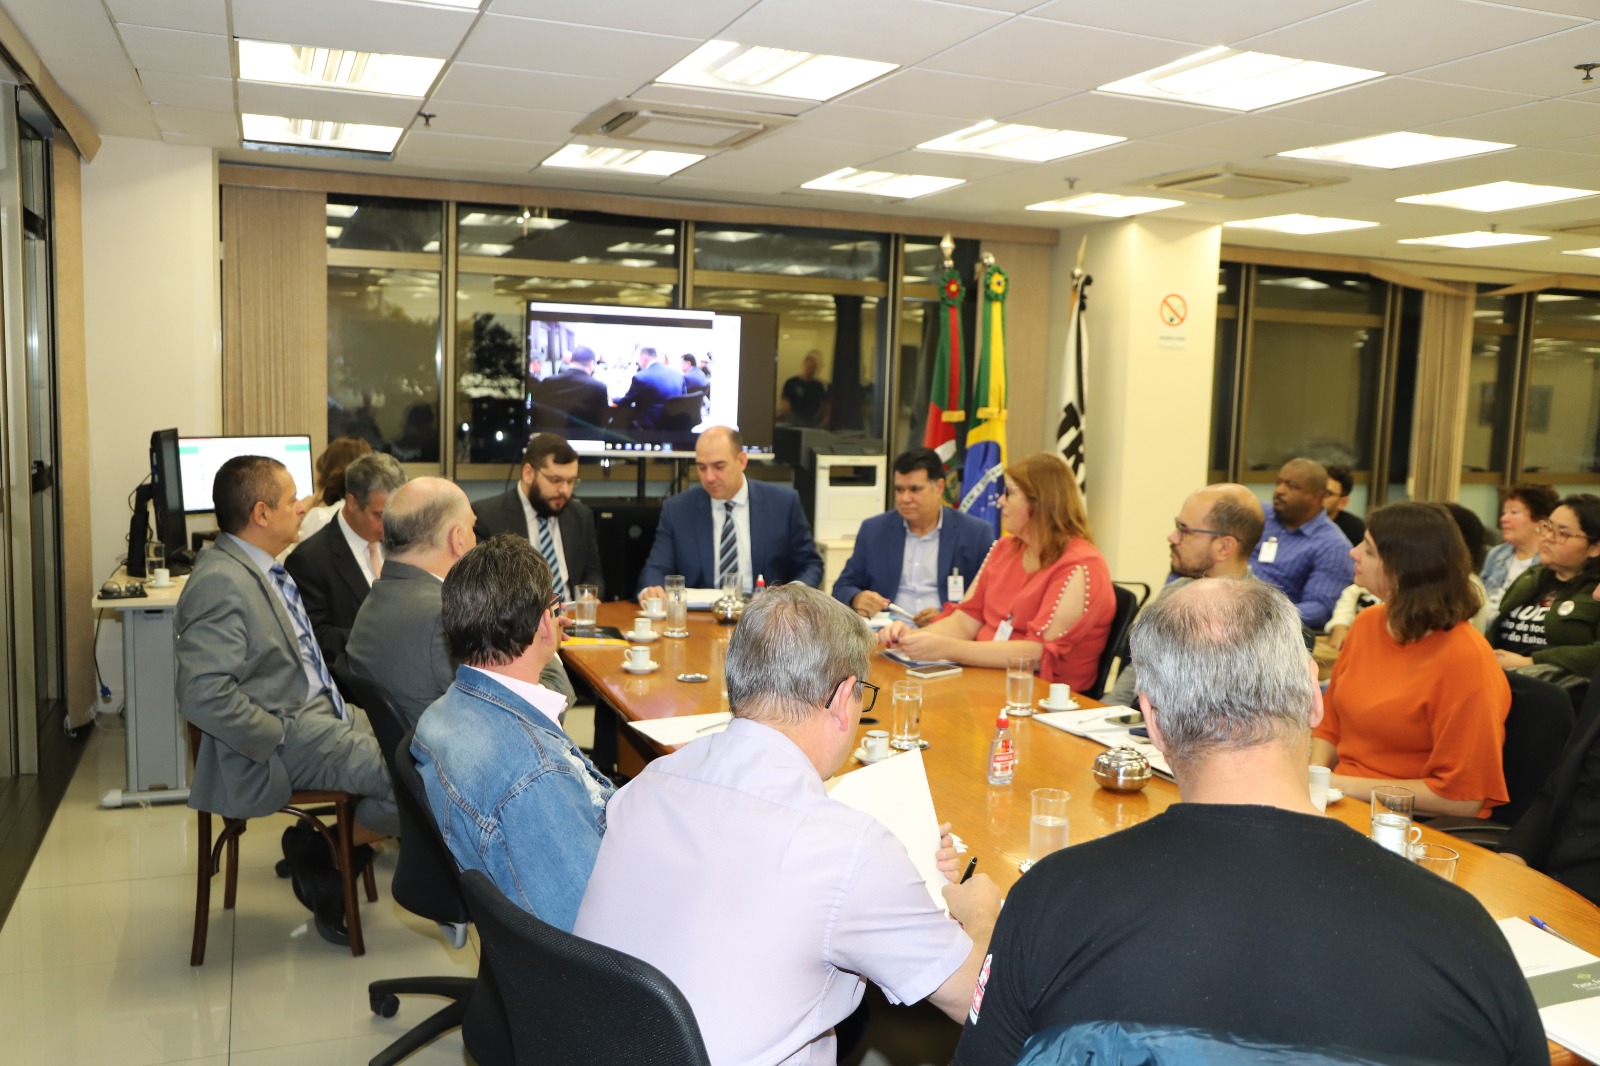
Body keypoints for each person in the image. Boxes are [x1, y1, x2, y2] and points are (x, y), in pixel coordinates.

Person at [954, 578, 1544, 1066]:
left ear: (1152, 724)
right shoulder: (1462, 930)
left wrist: (984, 933)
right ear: (1314, 699)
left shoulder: (1052, 898)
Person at [576, 584, 1002, 1065]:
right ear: (844, 698)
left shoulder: (647, 784)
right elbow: (976, 1000)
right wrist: (983, 914)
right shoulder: (850, 851)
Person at [176, 456, 397, 837]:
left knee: (422, 751)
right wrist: (276, 733)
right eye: (292, 499)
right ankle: (327, 856)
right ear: (261, 513)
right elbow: (201, 693)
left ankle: (332, 854)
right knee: (412, 781)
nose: (302, 506)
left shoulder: (261, 567)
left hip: (326, 712)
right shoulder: (221, 581)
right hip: (287, 734)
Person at [412, 535, 614, 931]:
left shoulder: (443, 712)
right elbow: (591, 929)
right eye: (555, 608)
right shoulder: (536, 777)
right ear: (544, 622)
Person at [1313, 502, 1510, 817]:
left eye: (1370, 550)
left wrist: (1337, 784)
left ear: (1405, 569)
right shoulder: (1367, 623)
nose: (1354, 553)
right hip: (1343, 802)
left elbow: (1462, 799)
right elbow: (1330, 729)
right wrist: (1314, 783)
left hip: (1411, 821)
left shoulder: (1466, 659)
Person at [344, 478, 575, 725]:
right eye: (472, 529)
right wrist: (544, 639)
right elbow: (529, 718)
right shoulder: (446, 617)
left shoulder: (374, 600)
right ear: (458, 539)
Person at [879, 452, 1113, 692]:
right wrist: (913, 638)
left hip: (1043, 700)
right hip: (985, 681)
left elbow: (1036, 654)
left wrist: (946, 648)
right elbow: (965, 620)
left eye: (1009, 493)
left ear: (1039, 502)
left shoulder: (1082, 565)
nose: (1000, 501)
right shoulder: (1003, 548)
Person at [1104, 483, 1263, 706]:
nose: (1172, 537)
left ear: (1224, 547)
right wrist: (1101, 716)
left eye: (1184, 530)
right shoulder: (1176, 593)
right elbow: (1137, 671)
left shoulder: (1259, 620)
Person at [637, 425, 823, 598]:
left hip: (766, 617)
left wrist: (793, 596)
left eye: (719, 466)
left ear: (741, 461)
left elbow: (810, 565)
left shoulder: (783, 503)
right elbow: (656, 569)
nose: (709, 477)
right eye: (702, 467)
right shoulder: (678, 510)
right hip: (700, 617)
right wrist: (652, 590)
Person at [832, 447, 994, 626]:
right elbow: (842, 586)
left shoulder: (975, 533)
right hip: (886, 634)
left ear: (939, 487)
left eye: (914, 489)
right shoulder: (874, 530)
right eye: (899, 490)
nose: (905, 498)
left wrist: (947, 615)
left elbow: (989, 599)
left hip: (945, 635)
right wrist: (857, 597)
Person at [282, 452, 405, 667]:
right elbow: (315, 637)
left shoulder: (402, 541)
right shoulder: (309, 561)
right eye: (379, 515)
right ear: (352, 503)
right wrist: (382, 639)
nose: (389, 525)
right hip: (354, 682)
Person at [472, 433, 605, 600]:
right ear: (528, 473)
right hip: (521, 623)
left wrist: (587, 598)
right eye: (555, 480)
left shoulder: (581, 516)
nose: (564, 490)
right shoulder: (487, 517)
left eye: (571, 481)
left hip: (572, 619)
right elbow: (484, 592)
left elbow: (593, 574)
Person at [1490, 493, 1600, 690]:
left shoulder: (1595, 592)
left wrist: (1531, 661)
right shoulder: (1532, 578)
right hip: (1497, 682)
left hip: (1555, 693)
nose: (1548, 538)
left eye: (1562, 533)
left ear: (1594, 548)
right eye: (1548, 527)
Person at [1251, 458, 1354, 629]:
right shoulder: (1258, 515)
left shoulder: (1333, 546)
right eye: (1279, 483)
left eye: (1291, 486)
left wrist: (1264, 616)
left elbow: (1320, 609)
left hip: (1270, 632)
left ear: (1317, 497)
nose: (1279, 491)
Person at [1482, 483, 1560, 617]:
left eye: (1513, 512)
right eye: (1504, 512)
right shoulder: (1497, 554)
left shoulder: (1552, 560)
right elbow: (1480, 601)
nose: (1503, 519)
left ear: (1541, 519)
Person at [295, 435, 372, 545]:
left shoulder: (321, 517)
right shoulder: (369, 515)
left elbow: (285, 559)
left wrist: (298, 514)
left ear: (326, 474)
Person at [531, 345, 608, 433]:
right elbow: (603, 422)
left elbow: (536, 414)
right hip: (585, 441)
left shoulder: (547, 382)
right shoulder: (599, 387)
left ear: (572, 360)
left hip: (551, 439)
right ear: (592, 364)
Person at [615, 345, 683, 430]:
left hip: (651, 426)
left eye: (638, 358)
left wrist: (613, 398)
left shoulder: (641, 377)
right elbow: (684, 398)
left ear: (644, 357)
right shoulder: (678, 374)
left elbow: (625, 402)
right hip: (675, 424)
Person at [779, 350, 828, 426]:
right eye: (809, 366)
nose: (811, 370)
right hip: (794, 422)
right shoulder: (791, 383)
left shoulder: (818, 386)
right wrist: (791, 419)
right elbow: (785, 404)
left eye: (813, 367)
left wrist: (819, 419)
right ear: (804, 364)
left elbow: (823, 406)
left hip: (813, 422)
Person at [1322, 462, 1365, 546]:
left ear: (1342, 503)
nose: (1318, 496)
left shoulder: (1356, 529)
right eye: (1316, 489)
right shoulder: (1297, 519)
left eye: (1327, 493)